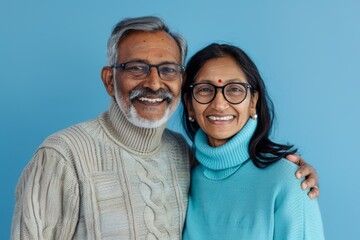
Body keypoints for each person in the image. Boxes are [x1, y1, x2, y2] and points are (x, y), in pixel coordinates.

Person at [11, 16, 319, 239]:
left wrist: (288, 172)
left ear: (180, 84)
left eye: (167, 69)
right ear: (109, 79)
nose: (154, 83)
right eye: (136, 68)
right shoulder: (62, 157)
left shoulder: (184, 156)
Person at [182, 43, 324, 239]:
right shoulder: (182, 175)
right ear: (189, 104)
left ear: (253, 102)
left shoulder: (287, 181)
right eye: (205, 89)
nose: (220, 104)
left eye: (234, 89)